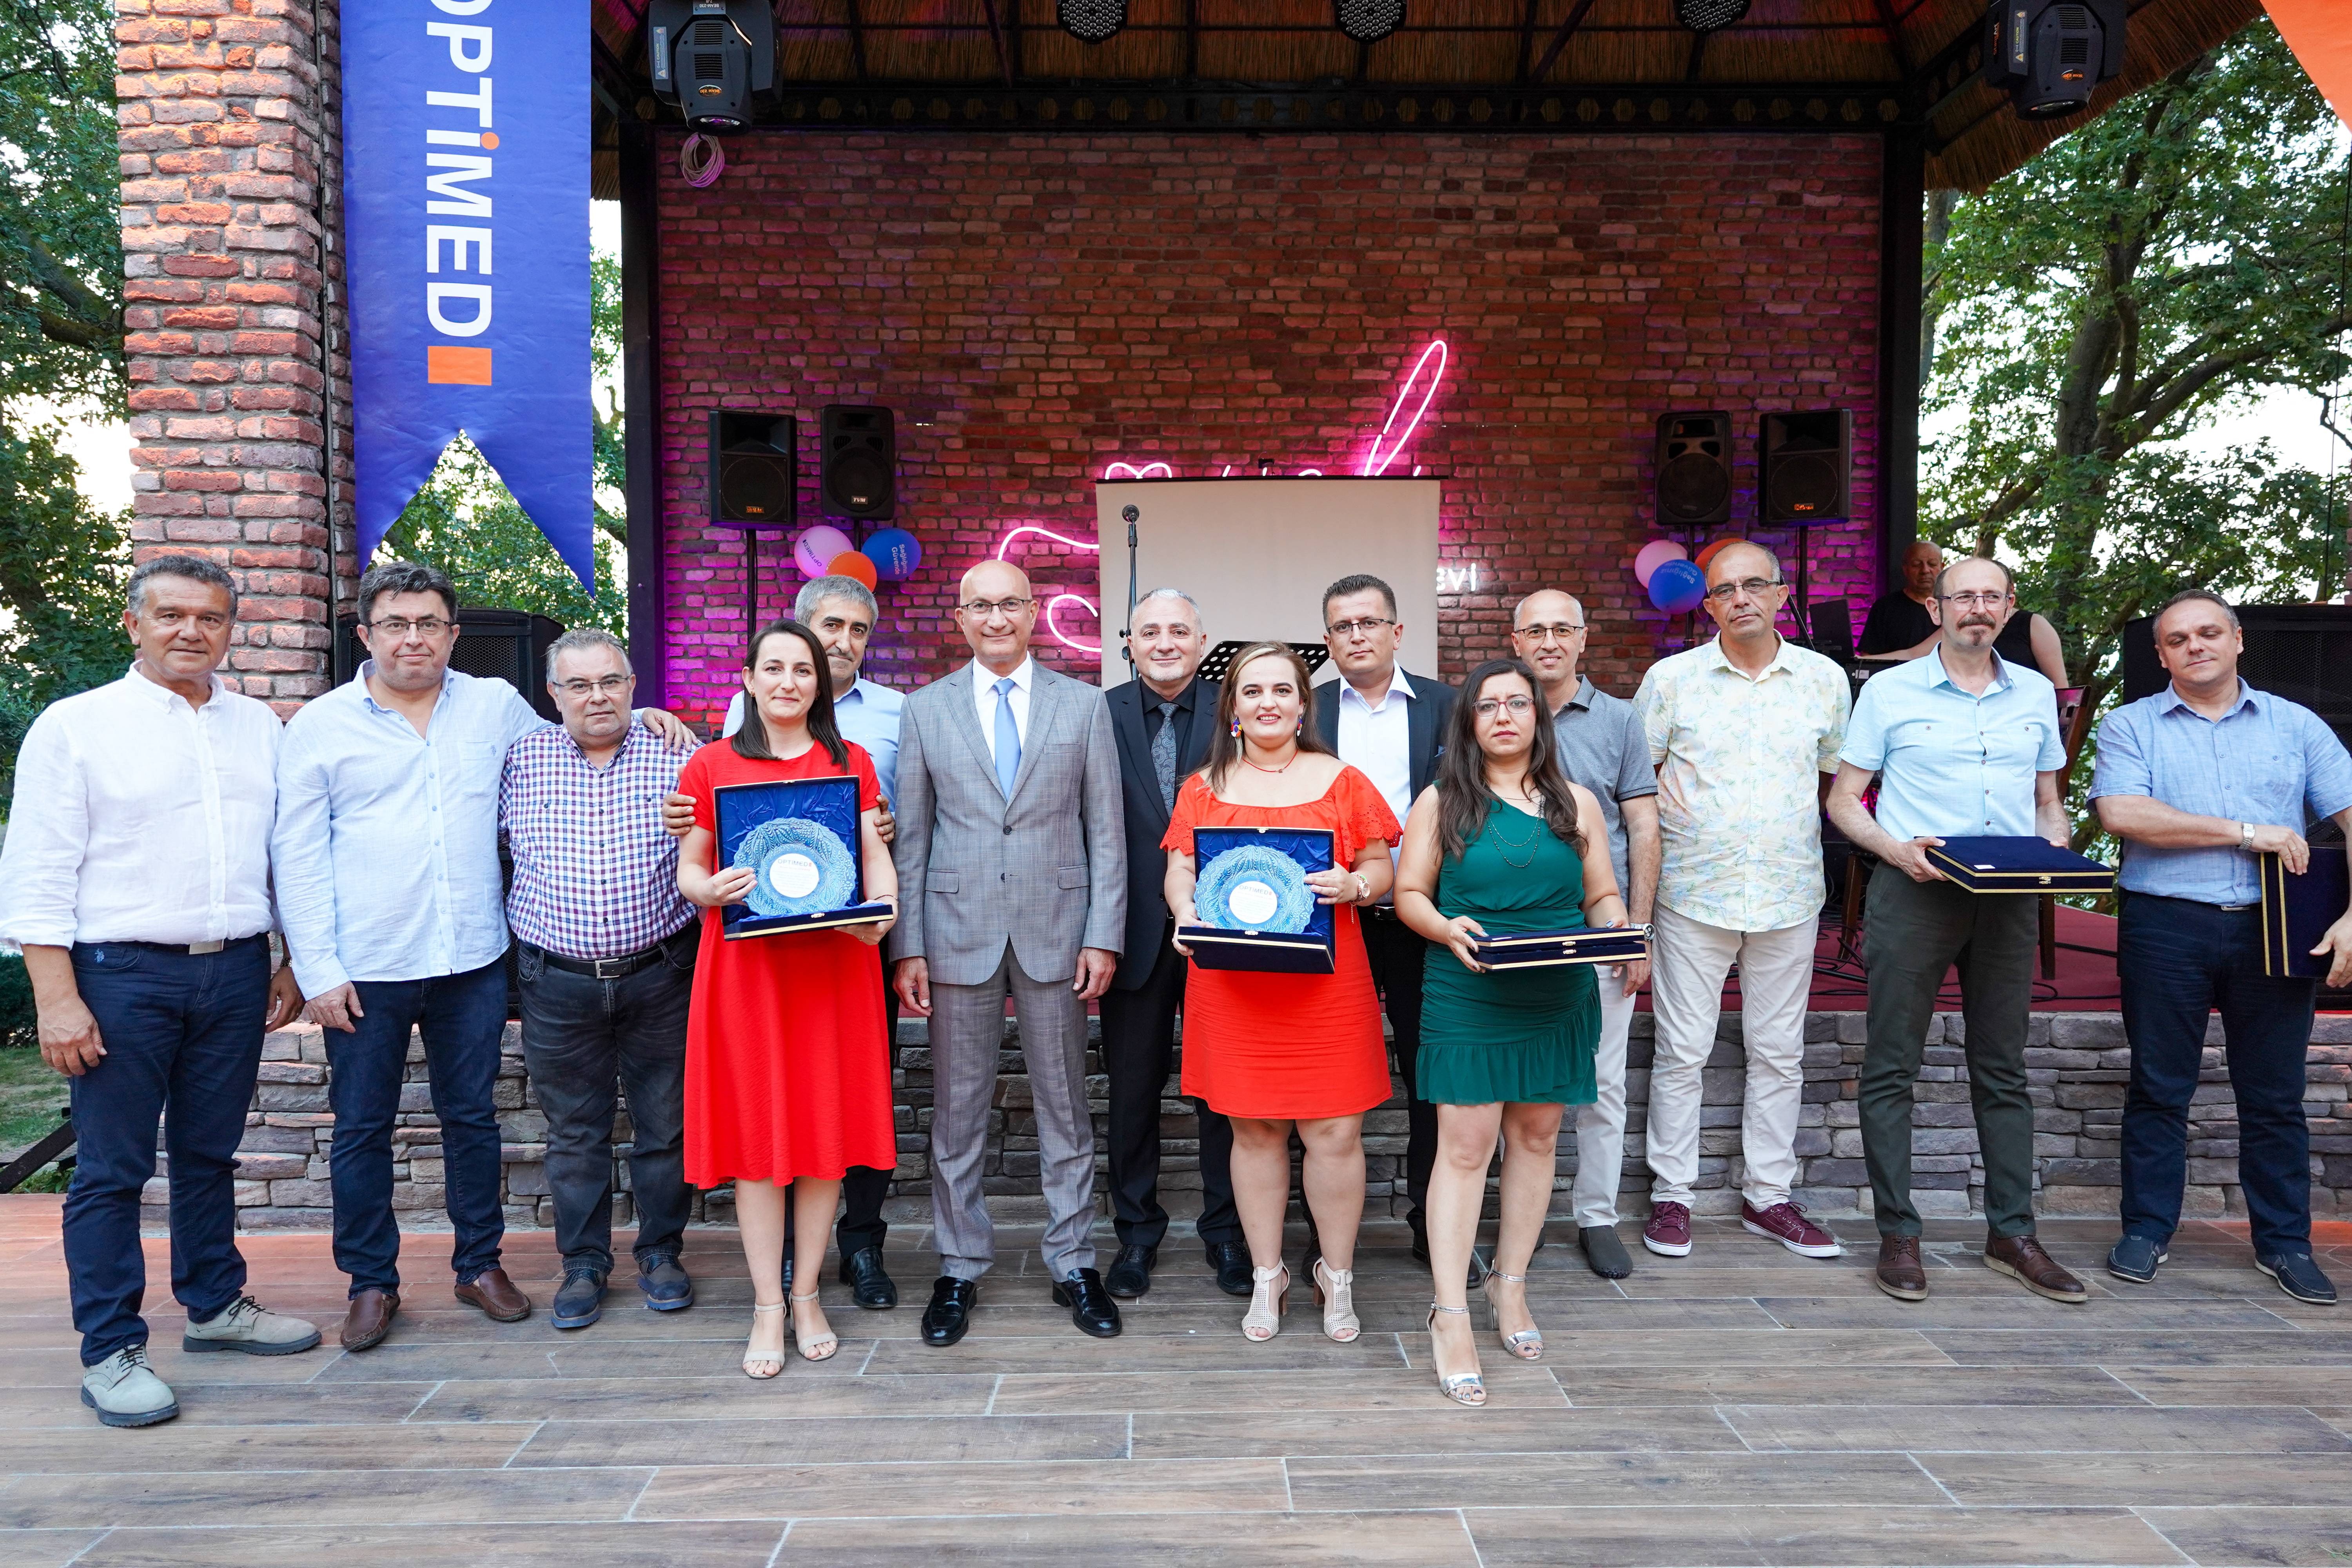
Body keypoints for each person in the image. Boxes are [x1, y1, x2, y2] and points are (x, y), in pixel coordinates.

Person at [274, 560, 690, 1352]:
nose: (414, 638)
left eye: (429, 623)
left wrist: (646, 714)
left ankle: (479, 1264)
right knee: (362, 1126)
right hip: (366, 963)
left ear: (453, 633)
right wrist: (315, 966)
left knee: (471, 1118)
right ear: (366, 634)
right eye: (396, 623)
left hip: (469, 958)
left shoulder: (496, 707)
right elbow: (294, 854)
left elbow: (583, 729)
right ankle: (370, 1280)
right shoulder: (320, 726)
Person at [0, 555, 316, 1427]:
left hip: (236, 968)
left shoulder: (259, 727)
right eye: (171, 614)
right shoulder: (77, 726)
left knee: (211, 1153)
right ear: (134, 623)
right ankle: (110, 1349)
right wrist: (56, 997)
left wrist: (291, 958)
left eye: (210, 617)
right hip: (120, 973)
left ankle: (214, 1305)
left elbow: (286, 851)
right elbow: (37, 869)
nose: (191, 631)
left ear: (230, 630)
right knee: (113, 1168)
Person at [1828, 556, 2086, 1305]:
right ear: (1938, 609)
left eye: (1990, 597)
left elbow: (2047, 799)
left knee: (2003, 1069)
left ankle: (2013, 1234)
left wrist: (2056, 841)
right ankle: (1899, 1235)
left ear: (2009, 607)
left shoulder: (2034, 692)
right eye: (1963, 596)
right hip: (1915, 892)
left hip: (2008, 899)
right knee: (1892, 1067)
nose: (1977, 607)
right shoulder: (1890, 692)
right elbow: (1844, 800)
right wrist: (1893, 851)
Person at [890, 558, 1128, 1345]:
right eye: (981, 606)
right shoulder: (925, 710)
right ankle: (959, 1266)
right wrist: (908, 945)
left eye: (1011, 604)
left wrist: (1103, 932)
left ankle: (1073, 1261)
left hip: (1059, 929)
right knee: (957, 1114)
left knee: (1066, 1106)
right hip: (954, 931)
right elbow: (913, 838)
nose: (996, 618)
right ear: (960, 618)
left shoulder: (1083, 705)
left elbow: (1106, 832)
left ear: (1033, 613)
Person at [2092, 588, 2352, 1306]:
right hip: (2164, 924)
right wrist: (2246, 832)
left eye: (2209, 633)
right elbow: (2123, 813)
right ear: (2161, 655)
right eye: (2178, 639)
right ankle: (2146, 1231)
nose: (2195, 646)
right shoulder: (2131, 726)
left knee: (2275, 1096)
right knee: (2158, 1087)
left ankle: (2285, 1244)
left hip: (2275, 926)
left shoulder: (2295, 726)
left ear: (2238, 640)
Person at [675, 618, 900, 1377]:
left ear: (819, 683)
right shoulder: (710, 763)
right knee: (758, 1141)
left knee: (823, 1137)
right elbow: (691, 867)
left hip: (833, 971)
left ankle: (807, 1295)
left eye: (802, 670)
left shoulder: (850, 760)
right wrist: (708, 890)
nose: (788, 682)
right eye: (773, 668)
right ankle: (767, 1305)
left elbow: (874, 855)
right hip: (748, 978)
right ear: (748, 679)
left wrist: (884, 910)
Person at [1397, 658, 1624, 1405]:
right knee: (1464, 1149)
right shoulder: (1441, 801)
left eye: (1518, 704)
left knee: (1537, 1138)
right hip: (1468, 990)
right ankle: (1450, 1313)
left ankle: (1510, 1285)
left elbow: (1601, 894)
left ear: (1538, 717)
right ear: (1469, 721)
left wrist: (1617, 930)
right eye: (1488, 705)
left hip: (1557, 994)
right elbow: (1410, 893)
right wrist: (1445, 927)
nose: (1503, 716)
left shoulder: (1576, 803)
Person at [1164, 642, 1401, 1344]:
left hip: (1328, 987)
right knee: (1254, 1130)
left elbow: (1381, 865)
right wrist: (1184, 912)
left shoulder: (1343, 781)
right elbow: (1180, 869)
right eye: (1252, 691)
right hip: (1233, 987)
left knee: (1336, 1133)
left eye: (1282, 690)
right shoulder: (1202, 788)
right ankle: (1269, 1275)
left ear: (1303, 705)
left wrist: (1356, 886)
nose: (1267, 702)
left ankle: (1337, 1274)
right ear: (1232, 708)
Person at [1633, 541, 1850, 1261]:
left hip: (1789, 892)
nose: (1741, 599)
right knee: (1681, 1052)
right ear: (1709, 606)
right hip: (1694, 892)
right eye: (1725, 590)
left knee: (1780, 1053)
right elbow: (1640, 782)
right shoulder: (1671, 680)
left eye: (1755, 585)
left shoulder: (1823, 680)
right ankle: (1672, 1197)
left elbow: (1832, 779)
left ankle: (1769, 1197)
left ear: (1782, 594)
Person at [501, 628, 699, 1331]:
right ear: (553, 694)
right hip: (555, 981)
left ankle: (661, 1253)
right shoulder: (519, 758)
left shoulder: (681, 755)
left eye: (611, 681)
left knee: (665, 1126)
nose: (598, 697)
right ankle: (583, 1264)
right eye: (579, 685)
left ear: (633, 686)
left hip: (661, 973)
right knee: (574, 1133)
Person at [1510, 590, 1660, 1279]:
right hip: (1517, 930)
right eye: (1535, 630)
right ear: (1515, 642)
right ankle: (1523, 1216)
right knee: (1517, 1082)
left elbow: (1643, 825)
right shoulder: (1495, 710)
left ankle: (1597, 1216)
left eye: (1562, 629)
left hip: (1602, 927)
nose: (1549, 642)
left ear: (1582, 638)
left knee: (1600, 1083)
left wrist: (1639, 931)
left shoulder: (1620, 720)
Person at [1101, 588, 1246, 1300]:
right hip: (1128, 930)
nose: (1165, 643)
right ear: (1129, 643)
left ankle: (1229, 1233)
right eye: (1150, 631)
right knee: (1132, 1093)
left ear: (1202, 641)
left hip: (1223, 929)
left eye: (1179, 631)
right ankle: (1135, 1234)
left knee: (1225, 1092)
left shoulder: (1236, 709)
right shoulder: (1098, 713)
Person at [1312, 573, 1455, 1267]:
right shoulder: (1307, 710)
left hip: (1419, 919)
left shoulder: (1448, 706)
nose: (1357, 636)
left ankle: (1434, 1226)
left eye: (1369, 622)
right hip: (1328, 920)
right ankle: (1321, 1237)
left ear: (1397, 632)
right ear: (1329, 640)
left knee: (1431, 1077)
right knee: (1321, 1081)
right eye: (1343, 626)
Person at [1855, 540, 1944, 659]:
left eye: (1932, 564)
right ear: (1905, 569)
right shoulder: (1885, 607)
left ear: (1942, 567)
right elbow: (1869, 656)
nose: (1925, 570)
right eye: (1916, 565)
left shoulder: (1951, 606)